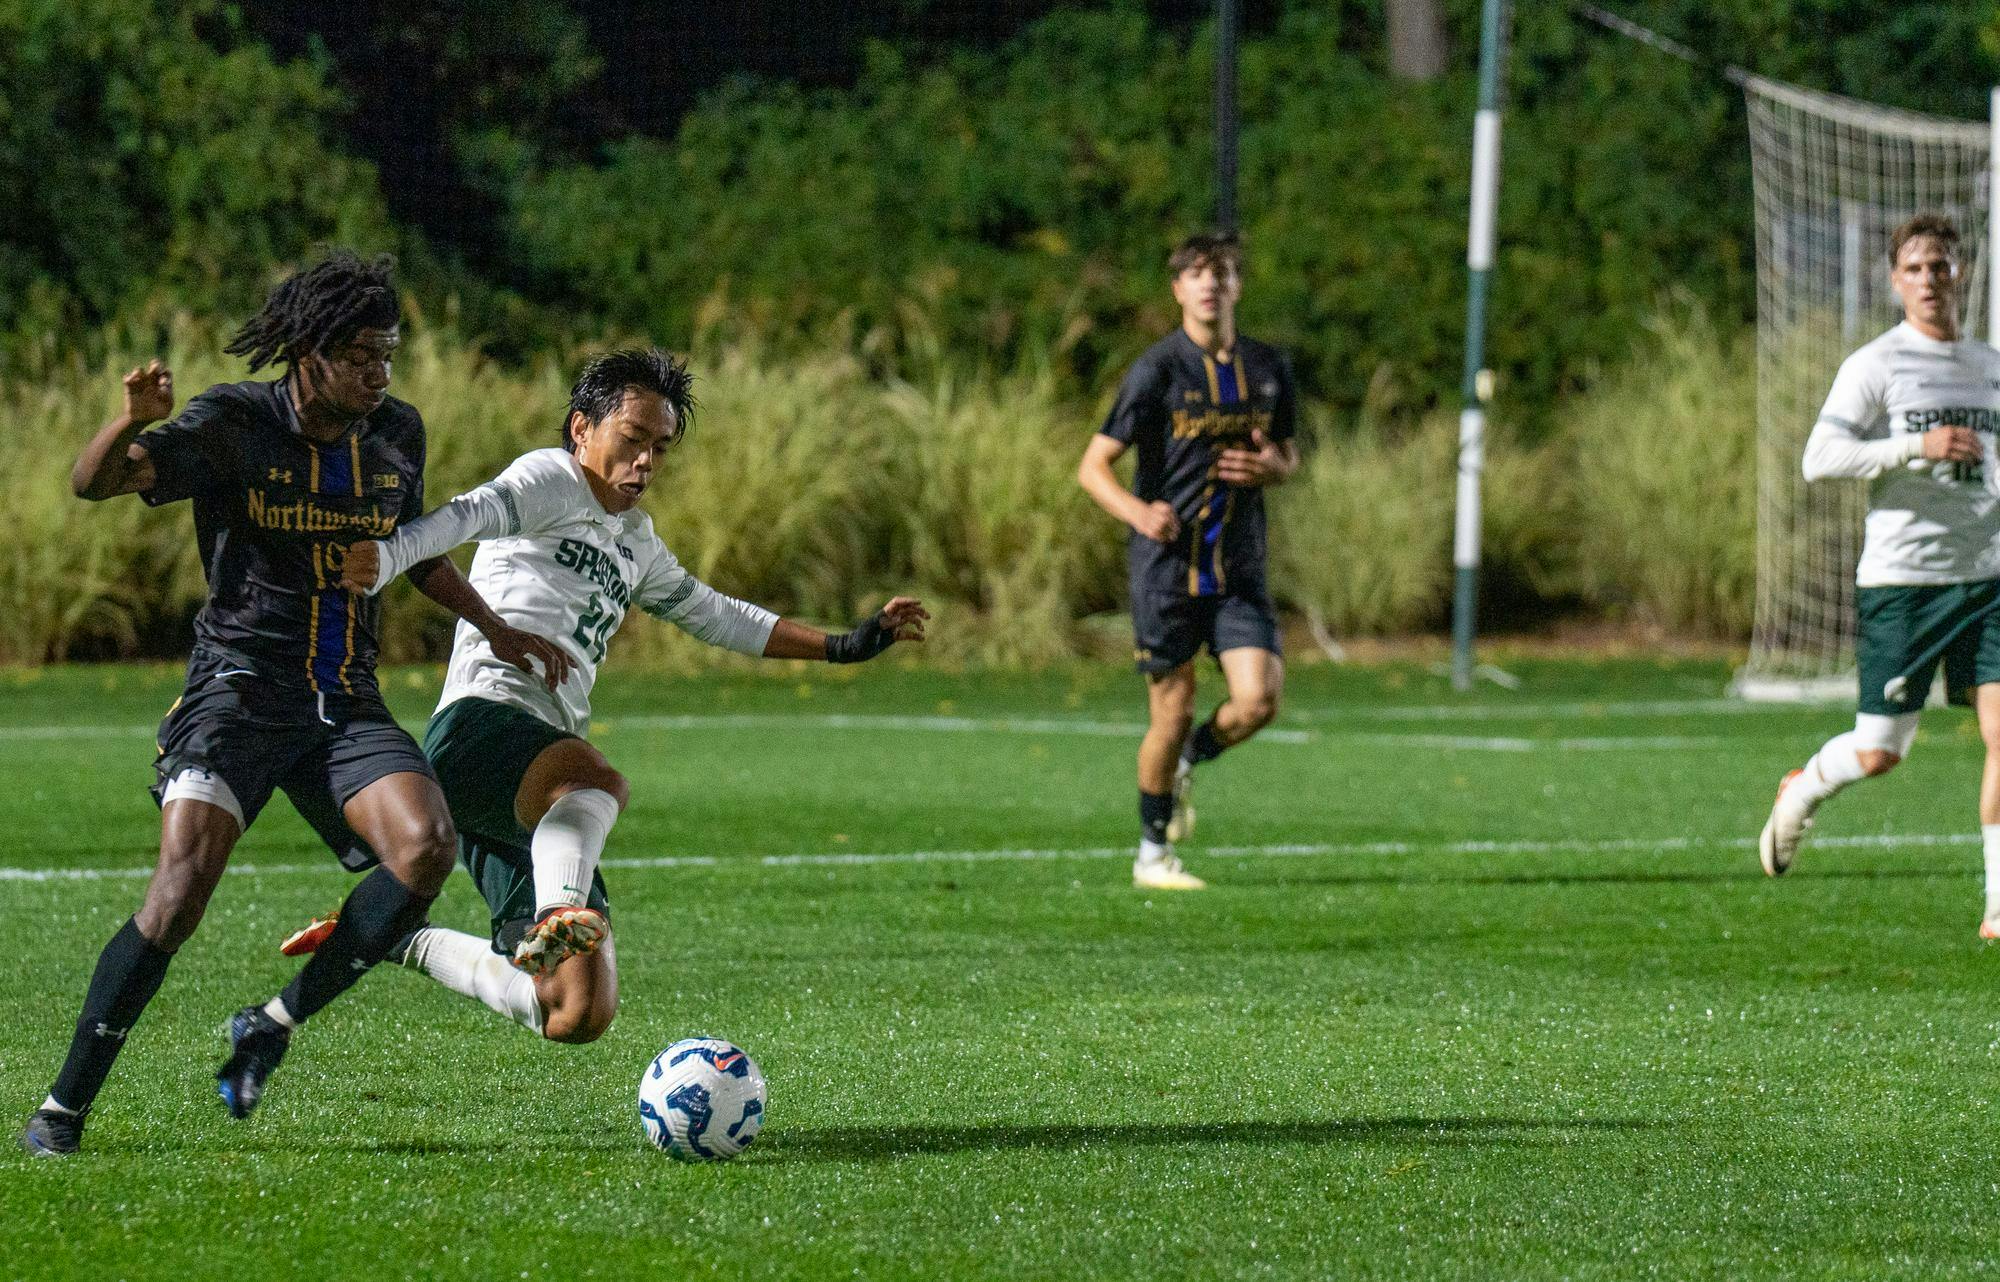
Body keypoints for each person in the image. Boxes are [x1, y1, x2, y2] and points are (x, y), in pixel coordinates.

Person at [19, 251, 571, 1157]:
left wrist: (496, 628)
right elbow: (95, 485)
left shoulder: (396, 433)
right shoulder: (235, 422)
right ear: (307, 350)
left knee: (426, 847)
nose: (378, 373)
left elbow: (413, 546)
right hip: (235, 691)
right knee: (179, 892)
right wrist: (129, 421)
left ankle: (271, 1023)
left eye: (388, 353)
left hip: (343, 702)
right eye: (359, 353)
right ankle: (62, 1108)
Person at [282, 347, 925, 1044]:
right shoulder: (549, 479)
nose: (646, 460)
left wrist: (844, 645)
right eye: (633, 438)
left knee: (574, 1011)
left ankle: (399, 940)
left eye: (660, 447)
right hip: (483, 726)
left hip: (529, 783)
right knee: (598, 782)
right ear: (582, 428)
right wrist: (390, 557)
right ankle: (561, 909)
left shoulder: (636, 543)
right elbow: (464, 517)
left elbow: (716, 614)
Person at [1759, 213, 2000, 936]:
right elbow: (1819, 459)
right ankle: (1802, 787)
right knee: (1878, 752)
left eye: (1943, 265)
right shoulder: (1876, 365)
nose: (1931, 278)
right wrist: (1912, 446)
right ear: (1896, 281)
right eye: (1917, 267)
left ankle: (1998, 901)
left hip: (1989, 579)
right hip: (1903, 583)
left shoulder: (1990, 366)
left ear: (1962, 273)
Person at [1076, 232, 1299, 890]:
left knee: (1258, 701)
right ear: (1177, 289)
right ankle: (1152, 856)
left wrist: (1270, 467)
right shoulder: (1156, 370)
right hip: (1167, 570)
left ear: (1237, 287)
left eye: (1221, 274)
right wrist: (1138, 512)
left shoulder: (1266, 367)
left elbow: (1288, 456)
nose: (1210, 285)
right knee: (1168, 714)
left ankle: (1189, 761)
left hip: (1239, 569)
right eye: (1197, 275)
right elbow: (1093, 468)